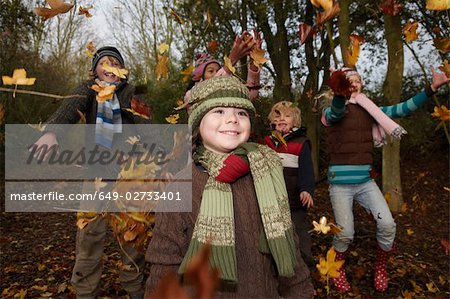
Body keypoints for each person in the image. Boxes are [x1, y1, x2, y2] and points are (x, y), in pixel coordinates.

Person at [145, 76, 314, 298]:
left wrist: (301, 293)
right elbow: (163, 263)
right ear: (198, 123)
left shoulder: (266, 176)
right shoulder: (181, 186)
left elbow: (289, 248)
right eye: (219, 111)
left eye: (241, 112)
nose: (233, 119)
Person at [33, 46, 150, 299]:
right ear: (95, 70)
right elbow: (70, 106)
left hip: (129, 177)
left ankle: (135, 287)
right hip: (96, 174)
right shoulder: (88, 90)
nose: (109, 66)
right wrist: (52, 131)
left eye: (115, 62)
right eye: (104, 62)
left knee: (133, 236)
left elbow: (147, 127)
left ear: (123, 72)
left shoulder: (131, 92)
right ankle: (86, 291)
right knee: (89, 235)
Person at [321, 67, 450, 292]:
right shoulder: (331, 112)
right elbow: (335, 113)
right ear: (340, 87)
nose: (356, 83)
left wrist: (431, 89)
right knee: (346, 232)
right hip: (340, 186)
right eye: (349, 80)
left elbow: (402, 109)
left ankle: (381, 264)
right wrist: (340, 96)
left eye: (358, 80)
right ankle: (335, 266)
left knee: (388, 224)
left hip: (365, 183)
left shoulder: (372, 111)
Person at [263, 101, 315, 271]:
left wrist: (306, 189)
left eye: (287, 115)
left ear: (295, 121)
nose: (282, 118)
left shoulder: (301, 143)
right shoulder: (266, 143)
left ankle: (304, 266)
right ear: (272, 120)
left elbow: (306, 170)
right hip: (271, 201)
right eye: (278, 115)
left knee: (299, 235)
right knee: (274, 234)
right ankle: (275, 267)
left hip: (294, 202)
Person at [184, 30, 262, 106]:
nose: (215, 74)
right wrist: (231, 60)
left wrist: (255, 59)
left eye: (218, 71)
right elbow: (209, 91)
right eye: (211, 71)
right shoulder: (190, 95)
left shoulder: (228, 91)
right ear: (199, 77)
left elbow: (250, 96)